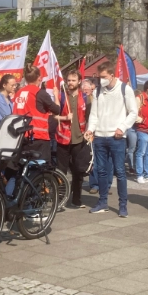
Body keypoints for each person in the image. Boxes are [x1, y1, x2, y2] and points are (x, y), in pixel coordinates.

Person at [85, 61, 138, 218]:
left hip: (117, 137)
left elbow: (133, 112)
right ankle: (102, 202)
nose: (101, 80)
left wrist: (122, 127)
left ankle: (123, 205)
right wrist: (90, 129)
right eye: (99, 77)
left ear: (112, 75)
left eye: (104, 77)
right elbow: (94, 114)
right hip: (100, 137)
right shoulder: (97, 91)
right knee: (101, 171)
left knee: (120, 172)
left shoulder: (125, 89)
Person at [55, 70, 90, 209]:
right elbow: (52, 116)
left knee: (78, 170)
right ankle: (60, 200)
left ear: (79, 82)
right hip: (62, 139)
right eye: (68, 80)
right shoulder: (61, 96)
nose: (70, 83)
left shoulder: (86, 98)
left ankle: (76, 199)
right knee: (61, 171)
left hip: (78, 139)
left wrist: (89, 131)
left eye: (73, 80)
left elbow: (89, 117)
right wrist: (64, 118)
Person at [13, 66, 61, 161]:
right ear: (39, 78)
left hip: (21, 136)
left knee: (22, 166)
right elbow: (57, 110)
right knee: (42, 169)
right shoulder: (40, 93)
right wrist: (56, 95)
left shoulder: (18, 93)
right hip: (38, 137)